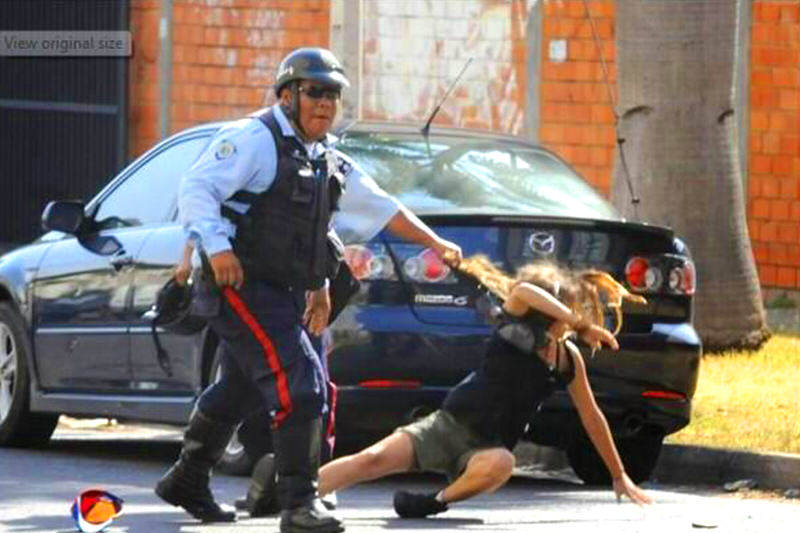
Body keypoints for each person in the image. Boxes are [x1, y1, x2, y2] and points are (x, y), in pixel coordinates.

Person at [154, 47, 461, 533]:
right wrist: (215, 248)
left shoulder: (324, 157)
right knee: (300, 385)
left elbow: (376, 206)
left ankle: (186, 479)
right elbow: (196, 188)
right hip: (239, 281)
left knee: (239, 388)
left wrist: (435, 242)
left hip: (284, 288)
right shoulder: (254, 139)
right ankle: (298, 505)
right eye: (314, 92)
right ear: (287, 95)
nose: (324, 103)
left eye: (332, 95)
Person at [255, 256, 653, 519]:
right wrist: (581, 323)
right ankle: (286, 492)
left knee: (502, 465)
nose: (570, 316)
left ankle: (432, 503)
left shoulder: (567, 358)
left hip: (486, 446)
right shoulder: (515, 321)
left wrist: (619, 474)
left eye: (573, 309)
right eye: (561, 308)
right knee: (371, 460)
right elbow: (522, 291)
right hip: (448, 424)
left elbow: (591, 415)